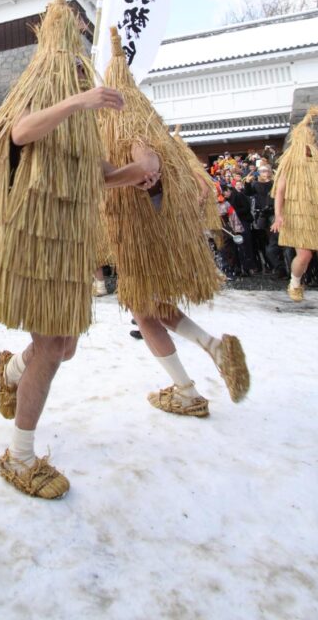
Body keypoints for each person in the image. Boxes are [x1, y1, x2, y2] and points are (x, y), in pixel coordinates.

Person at [0, 0, 157, 499]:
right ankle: (20, 456)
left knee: (64, 347)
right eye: (72, 62)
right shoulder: (44, 94)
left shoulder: (81, 115)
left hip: (68, 246)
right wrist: (79, 101)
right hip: (32, 241)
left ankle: (13, 372)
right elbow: (21, 133)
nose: (76, 69)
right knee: (53, 345)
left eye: (80, 66)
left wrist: (135, 172)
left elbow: (96, 174)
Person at [100, 28, 249, 419]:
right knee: (151, 308)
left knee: (144, 311)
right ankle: (212, 352)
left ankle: (188, 386)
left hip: (143, 238)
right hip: (151, 232)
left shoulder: (126, 124)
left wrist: (122, 175)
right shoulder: (146, 119)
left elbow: (146, 159)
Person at [272, 106, 318, 302]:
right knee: (304, 255)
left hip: (317, 212)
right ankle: (295, 283)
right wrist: (279, 215)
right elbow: (280, 191)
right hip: (298, 213)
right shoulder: (289, 162)